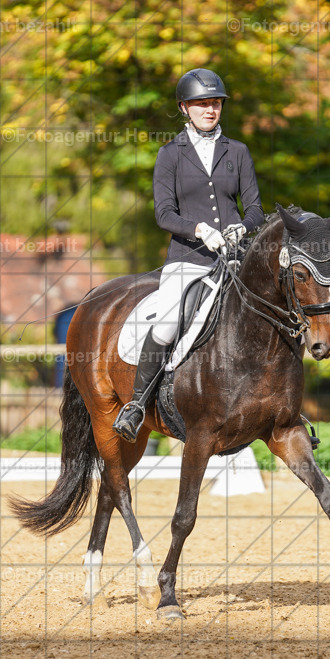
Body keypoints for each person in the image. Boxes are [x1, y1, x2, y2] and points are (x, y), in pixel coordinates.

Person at [112, 68, 265, 442]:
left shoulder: (238, 152)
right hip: (189, 260)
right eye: (202, 104)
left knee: (270, 315)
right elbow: (164, 214)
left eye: (215, 103)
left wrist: (240, 228)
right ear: (185, 108)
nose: (210, 110)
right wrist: (200, 230)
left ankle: (280, 406)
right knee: (166, 323)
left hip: (235, 260)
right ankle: (136, 404)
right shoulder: (170, 155)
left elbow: (256, 211)